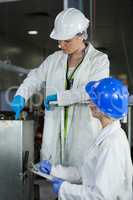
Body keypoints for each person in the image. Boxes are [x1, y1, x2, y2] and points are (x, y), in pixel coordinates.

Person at [11, 8, 109, 167]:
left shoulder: (99, 60)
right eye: (59, 40)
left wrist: (60, 98)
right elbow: (35, 77)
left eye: (66, 41)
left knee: (81, 181)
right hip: (54, 135)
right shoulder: (53, 60)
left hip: (83, 135)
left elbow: (91, 89)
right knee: (55, 179)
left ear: (81, 35)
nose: (60, 45)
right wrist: (21, 94)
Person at [40, 77, 133, 200]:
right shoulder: (106, 135)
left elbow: (102, 196)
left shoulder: (112, 143)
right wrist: (53, 171)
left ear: (104, 107)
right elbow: (86, 172)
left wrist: (64, 188)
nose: (90, 103)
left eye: (94, 99)